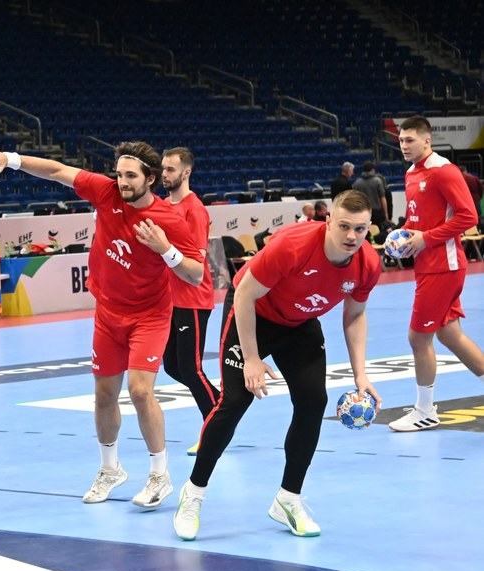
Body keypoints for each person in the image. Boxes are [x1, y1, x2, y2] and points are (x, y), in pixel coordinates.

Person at [0, 141, 205, 510]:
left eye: (131, 176)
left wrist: (166, 249)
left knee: (141, 391)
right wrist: (11, 159)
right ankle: (109, 470)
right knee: (103, 395)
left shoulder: (169, 220)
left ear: (150, 179)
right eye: (119, 173)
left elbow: (195, 275)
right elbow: (55, 170)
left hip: (149, 315)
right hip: (107, 314)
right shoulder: (106, 192)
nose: (122, 181)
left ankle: (160, 474)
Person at [172, 190, 382, 540]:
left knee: (314, 400)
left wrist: (361, 375)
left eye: (360, 229)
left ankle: (288, 499)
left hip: (300, 325)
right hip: (254, 315)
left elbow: (355, 315)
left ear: (369, 228)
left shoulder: (368, 264)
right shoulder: (294, 245)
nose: (351, 237)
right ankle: (193, 493)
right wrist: (252, 359)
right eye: (344, 226)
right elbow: (244, 295)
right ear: (328, 220)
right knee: (235, 401)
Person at [388, 116, 484, 432]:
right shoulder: (412, 173)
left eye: (410, 140)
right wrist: (400, 234)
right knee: (449, 334)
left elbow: (469, 215)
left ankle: (425, 411)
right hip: (427, 265)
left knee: (418, 337)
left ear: (427, 140)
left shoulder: (444, 171)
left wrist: (426, 239)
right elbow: (418, 219)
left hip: (443, 266)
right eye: (401, 140)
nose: (404, 145)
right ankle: (425, 407)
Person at [160, 147, 219, 456]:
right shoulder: (163, 206)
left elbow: (194, 262)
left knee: (191, 369)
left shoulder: (193, 209)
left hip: (193, 300)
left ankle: (215, 427)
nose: (164, 175)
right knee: (172, 366)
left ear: (186, 172)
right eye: (163, 169)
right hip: (171, 300)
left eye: (170, 169)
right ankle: (221, 403)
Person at [353, 161, 388, 227]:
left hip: (362, 212)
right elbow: (382, 198)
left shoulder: (357, 183)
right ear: (372, 169)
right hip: (376, 212)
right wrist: (386, 215)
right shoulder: (377, 181)